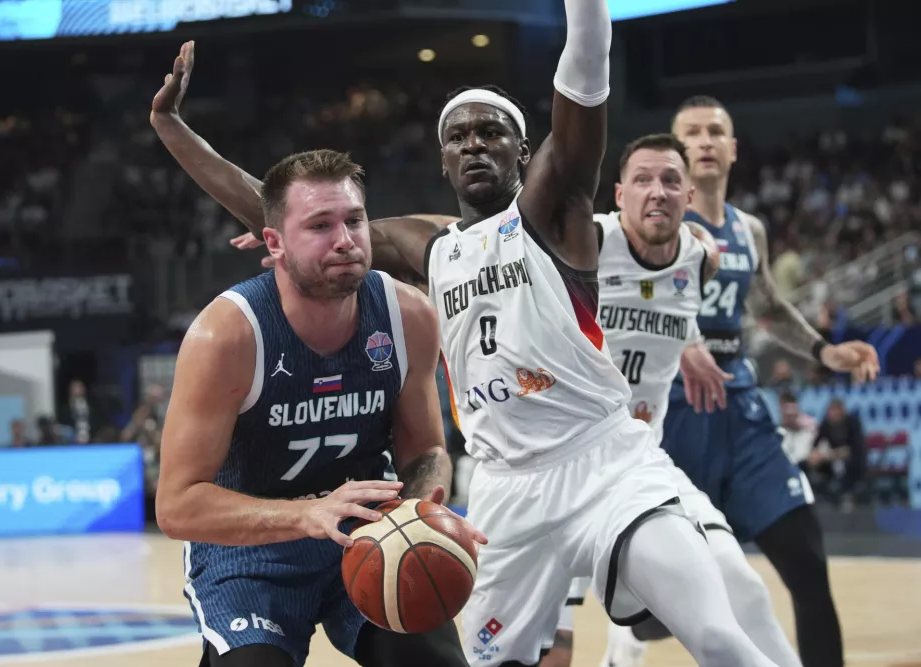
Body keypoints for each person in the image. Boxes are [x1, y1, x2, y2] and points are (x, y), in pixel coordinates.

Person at [150, 3, 785, 666]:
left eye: (491, 132)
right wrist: (173, 129)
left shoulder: (554, 213)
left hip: (602, 461)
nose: (473, 144)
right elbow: (286, 213)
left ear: (525, 153)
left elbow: (586, 68)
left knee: (716, 635)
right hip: (504, 489)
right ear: (443, 161)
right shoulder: (430, 245)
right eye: (458, 136)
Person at [154, 148, 486, 667]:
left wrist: (423, 511)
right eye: (320, 225)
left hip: (367, 533)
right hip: (249, 552)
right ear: (274, 243)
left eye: (354, 220)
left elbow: (426, 451)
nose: (345, 239)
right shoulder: (227, 336)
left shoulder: (408, 315)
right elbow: (177, 507)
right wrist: (309, 513)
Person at [626, 95, 879, 667]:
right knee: (655, 617)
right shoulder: (652, 221)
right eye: (692, 133)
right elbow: (622, 298)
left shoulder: (749, 229)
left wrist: (824, 349)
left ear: (733, 148)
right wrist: (680, 339)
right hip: (673, 412)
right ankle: (627, 639)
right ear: (675, 151)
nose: (705, 141)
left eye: (715, 131)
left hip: (740, 410)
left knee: (808, 561)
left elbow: (766, 305)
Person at [537, 134, 801, 667]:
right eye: (642, 180)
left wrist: (690, 344)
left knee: (745, 592)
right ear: (619, 194)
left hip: (640, 467)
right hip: (562, 473)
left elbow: (670, 305)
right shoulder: (588, 242)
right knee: (551, 651)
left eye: (670, 181)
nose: (657, 191)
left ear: (689, 196)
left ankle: (625, 648)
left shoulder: (700, 258)